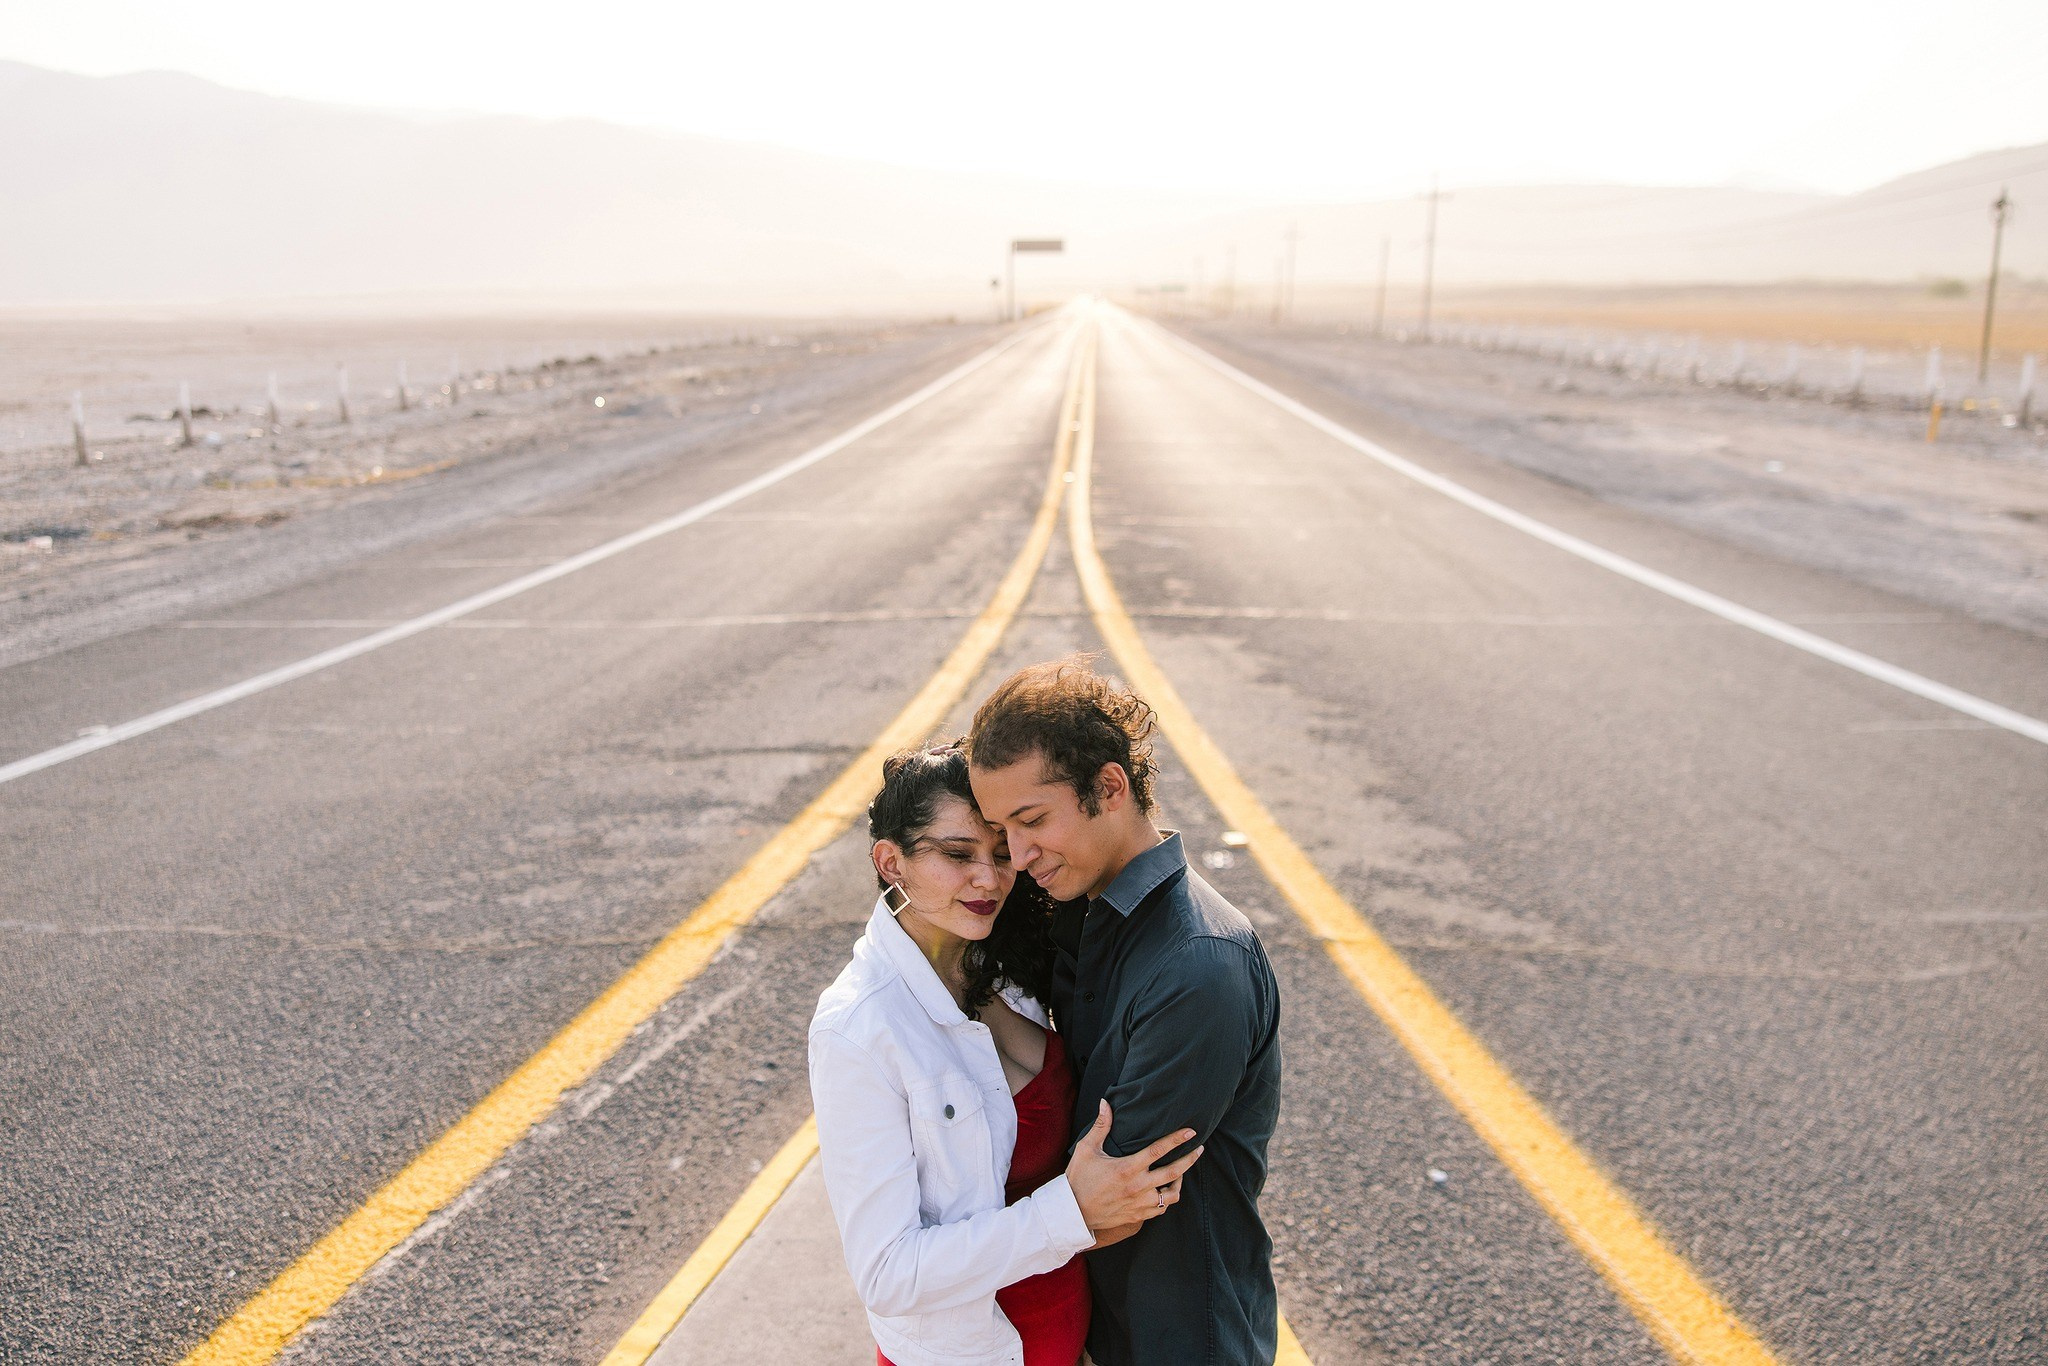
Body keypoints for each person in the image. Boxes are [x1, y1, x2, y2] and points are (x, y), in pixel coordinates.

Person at [811, 740, 1204, 1366]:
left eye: (1000, 854)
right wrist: (1070, 1212)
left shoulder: (1006, 967)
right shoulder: (858, 1028)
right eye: (957, 854)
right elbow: (888, 1273)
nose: (989, 879)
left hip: (1068, 1331)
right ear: (891, 862)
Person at [968, 659, 1283, 1366]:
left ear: (1109, 787)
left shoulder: (1198, 967)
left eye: (1032, 820)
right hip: (1105, 1328)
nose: (1018, 855)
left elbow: (1108, 1205)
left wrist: (931, 1264)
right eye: (1000, 830)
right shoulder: (1086, 915)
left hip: (1181, 1340)